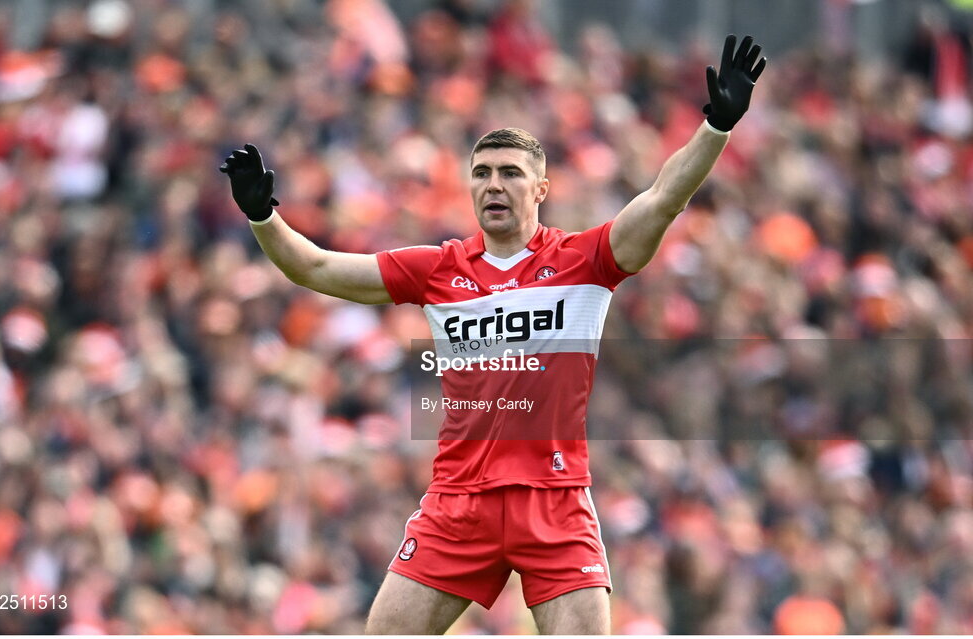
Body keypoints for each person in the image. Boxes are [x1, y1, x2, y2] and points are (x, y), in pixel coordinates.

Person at [220, 34, 766, 635]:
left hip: (553, 500)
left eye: (510, 173)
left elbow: (664, 199)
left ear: (541, 190)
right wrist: (262, 216)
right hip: (459, 501)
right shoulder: (437, 268)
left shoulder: (586, 261)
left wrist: (716, 125)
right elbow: (316, 268)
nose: (493, 185)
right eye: (481, 174)